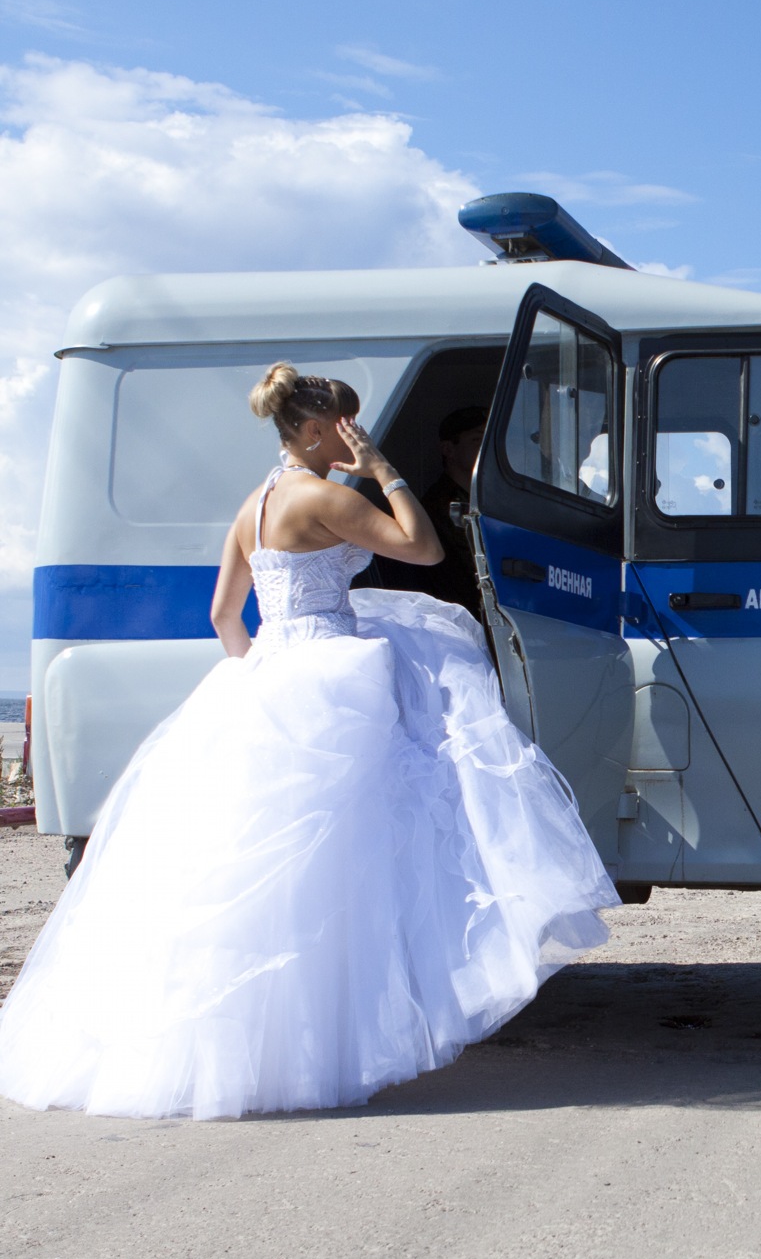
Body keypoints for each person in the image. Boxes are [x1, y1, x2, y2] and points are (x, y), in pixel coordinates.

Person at [0, 364, 619, 1120]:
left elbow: (226, 616)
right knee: (346, 859)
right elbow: (420, 550)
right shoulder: (326, 497)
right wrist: (384, 470)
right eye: (351, 424)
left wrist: (258, 679)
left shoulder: (252, 507)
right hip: (334, 669)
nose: (360, 435)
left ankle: (254, 1047)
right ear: (321, 430)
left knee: (266, 867)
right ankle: (326, 1041)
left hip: (272, 672)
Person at [416, 406, 486, 620]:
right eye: (477, 440)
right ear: (448, 449)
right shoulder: (441, 505)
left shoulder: (485, 498)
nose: (486, 448)